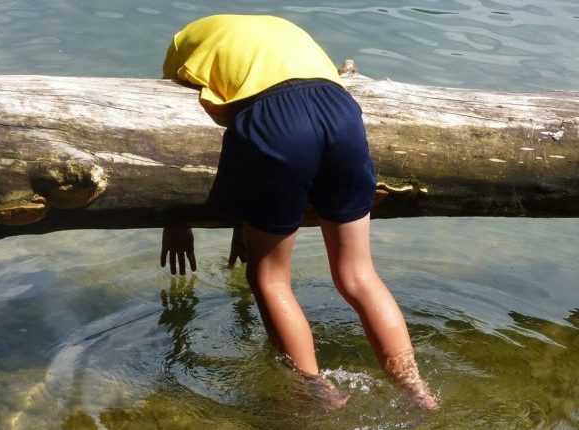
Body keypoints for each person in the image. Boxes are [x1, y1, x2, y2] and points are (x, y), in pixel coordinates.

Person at [159, 14, 438, 410]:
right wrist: (249, 221)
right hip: (341, 113)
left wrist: (175, 219)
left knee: (270, 278)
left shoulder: (182, 41)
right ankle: (417, 391)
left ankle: (317, 395)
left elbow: (179, 134)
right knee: (358, 275)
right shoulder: (286, 30)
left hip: (276, 120)